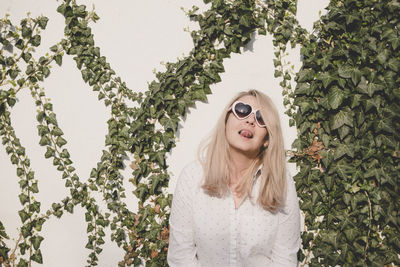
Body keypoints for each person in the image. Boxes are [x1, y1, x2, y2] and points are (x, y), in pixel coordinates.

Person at [167, 89, 301, 267]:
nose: (250, 120)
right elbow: (180, 257)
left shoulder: (281, 182)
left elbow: (285, 259)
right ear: (226, 120)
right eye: (242, 110)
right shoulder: (193, 176)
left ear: (267, 138)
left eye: (261, 118)